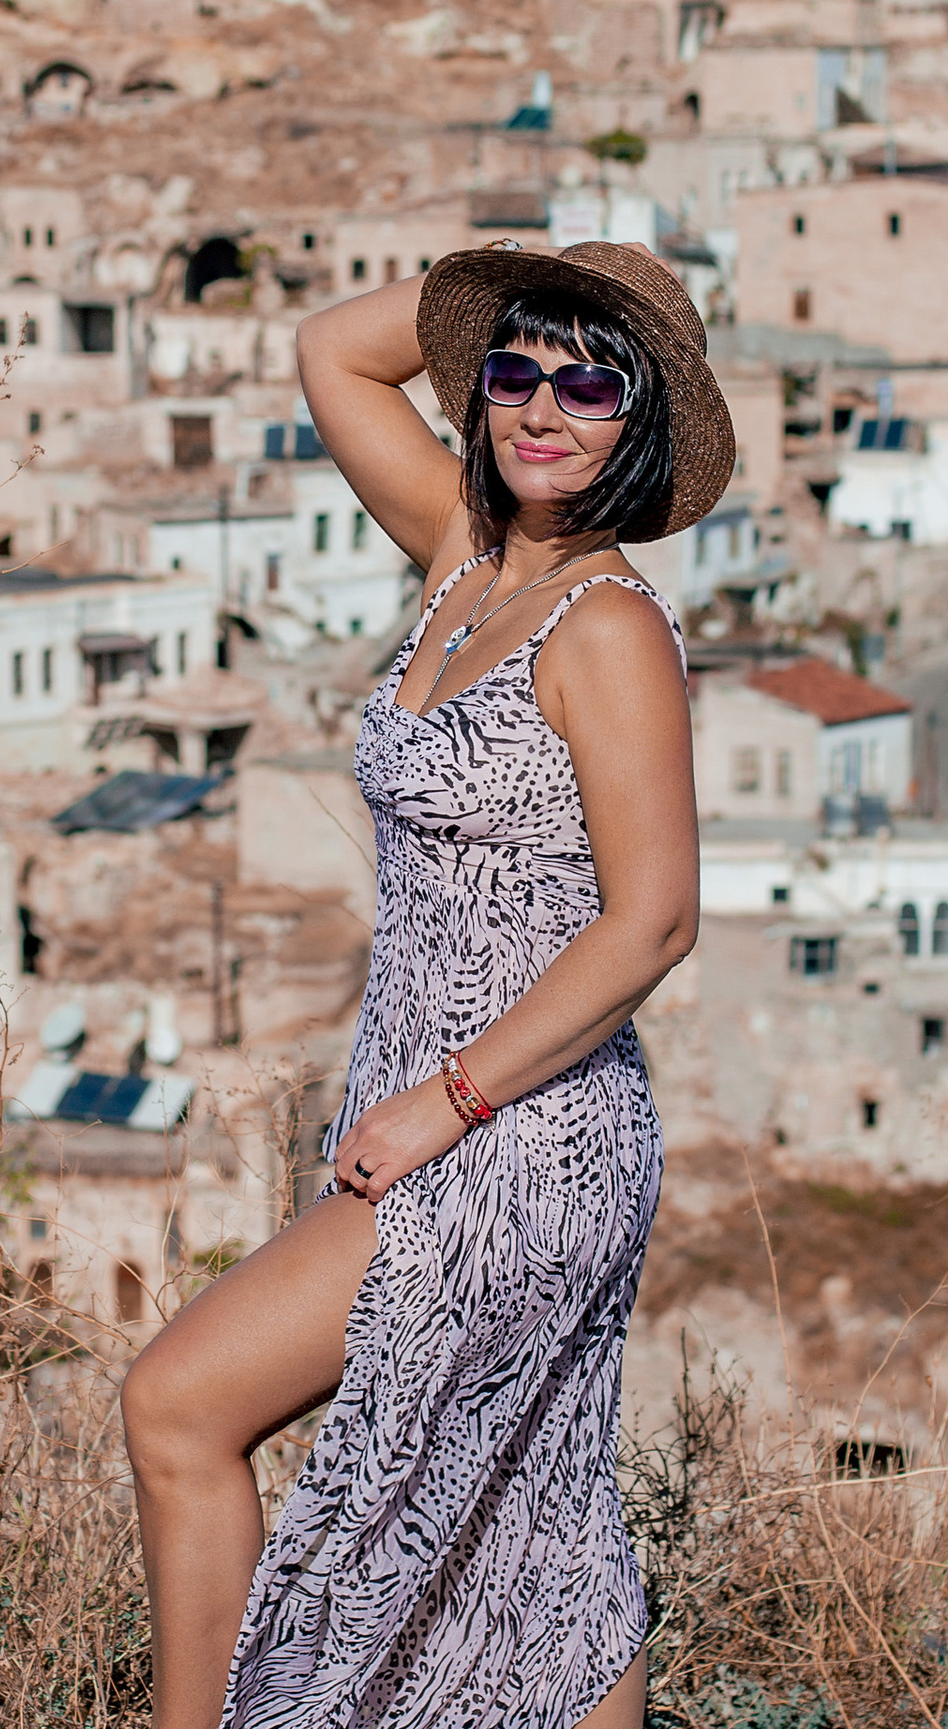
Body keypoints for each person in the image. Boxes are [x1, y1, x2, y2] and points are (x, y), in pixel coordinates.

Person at [121, 240, 737, 1729]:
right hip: (443, 1109)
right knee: (532, 1511)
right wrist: (516, 282)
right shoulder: (463, 554)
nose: (542, 409)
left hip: (516, 1131)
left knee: (178, 1405)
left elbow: (654, 924)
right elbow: (334, 347)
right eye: (515, 371)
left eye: (593, 384)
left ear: (642, 421)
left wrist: (444, 1106)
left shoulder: (606, 626)